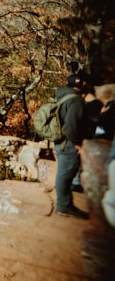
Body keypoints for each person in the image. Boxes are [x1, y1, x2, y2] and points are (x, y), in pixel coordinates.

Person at [54, 74, 93, 218]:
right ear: (82, 83)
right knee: (65, 175)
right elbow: (71, 125)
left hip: (60, 141)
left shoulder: (62, 95)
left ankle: (65, 204)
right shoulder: (76, 100)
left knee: (63, 174)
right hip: (68, 143)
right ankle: (63, 206)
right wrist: (77, 143)